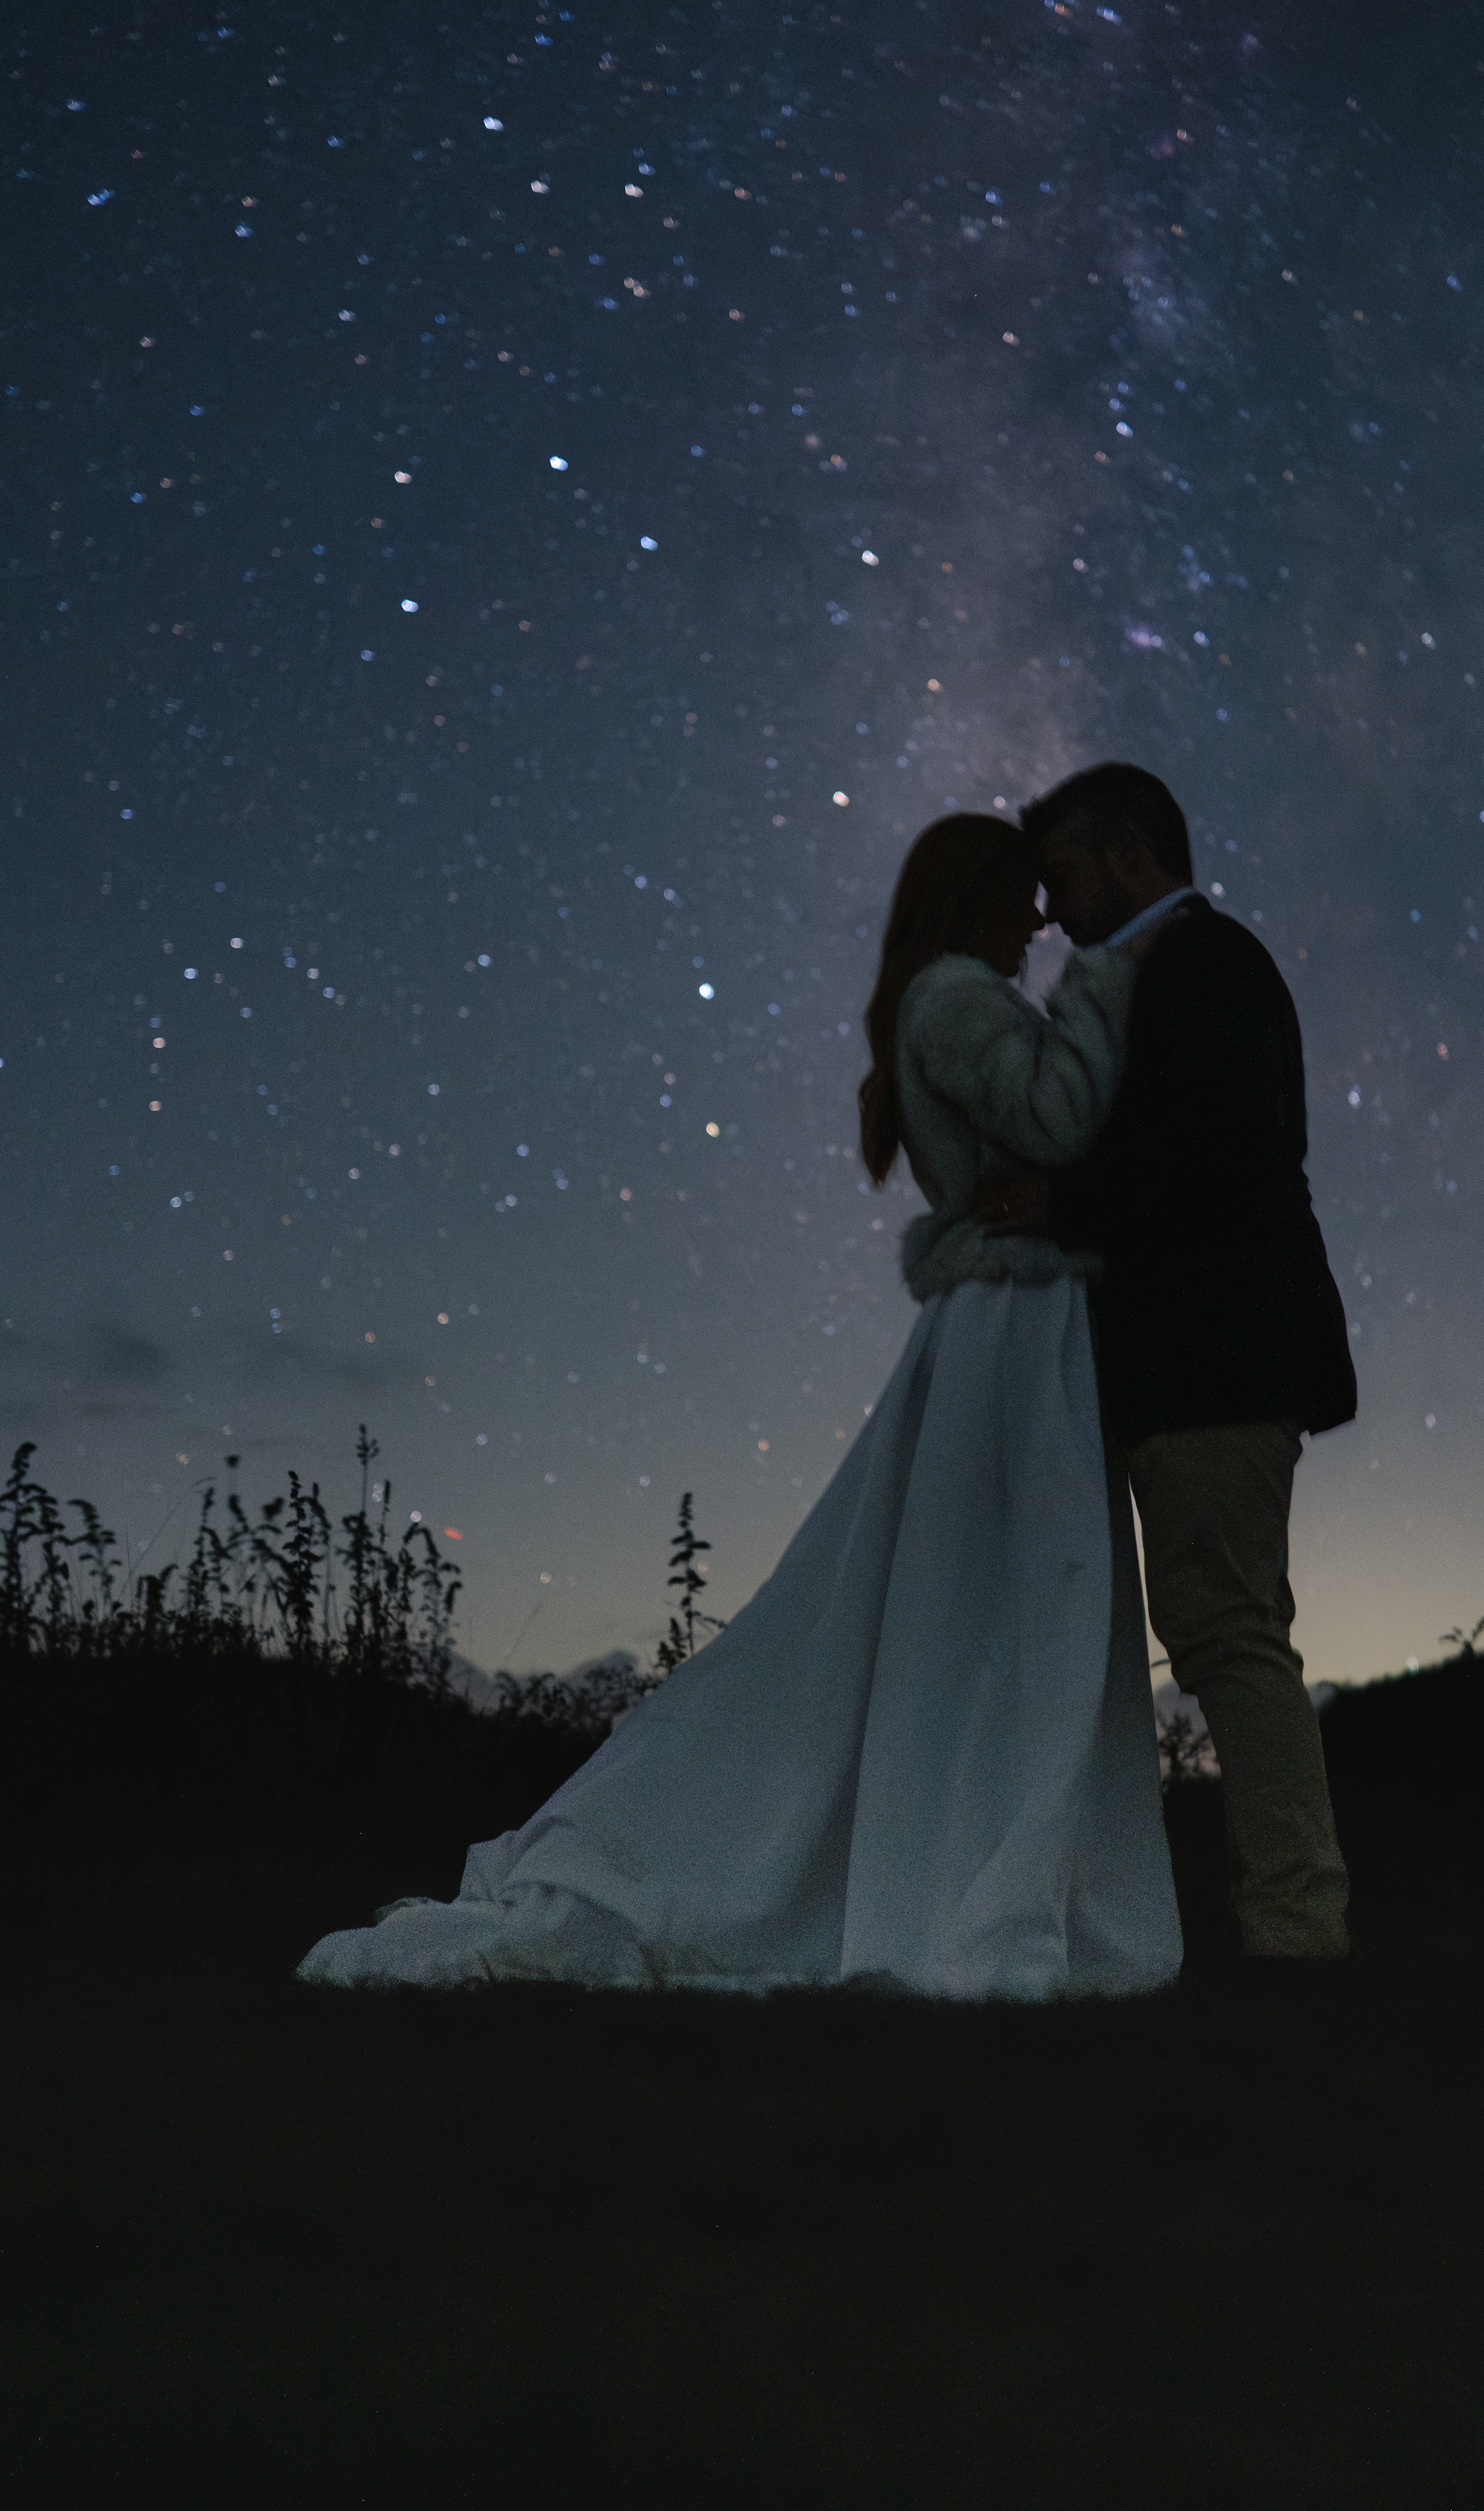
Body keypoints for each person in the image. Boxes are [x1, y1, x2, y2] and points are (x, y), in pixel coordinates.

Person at [296, 814, 1182, 1999]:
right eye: (1020, 897)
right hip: (1005, 1326)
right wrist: (1103, 989)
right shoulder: (959, 998)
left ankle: (985, 1853)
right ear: (973, 899)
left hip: (1020, 1317)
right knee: (995, 1594)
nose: (1038, 921)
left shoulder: (953, 995)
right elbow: (1062, 1121)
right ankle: (943, 1871)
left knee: (1006, 1603)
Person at [982, 762, 1358, 1962]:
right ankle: (1260, 1922)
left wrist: (1061, 1196)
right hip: (1182, 1360)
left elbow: (1224, 1150)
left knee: (1230, 1632)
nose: (1045, 910)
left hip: (1222, 1358)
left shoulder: (1209, 966)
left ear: (1131, 856)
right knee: (1219, 1630)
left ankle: (1298, 1928)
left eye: (1063, 876)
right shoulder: (1155, 976)